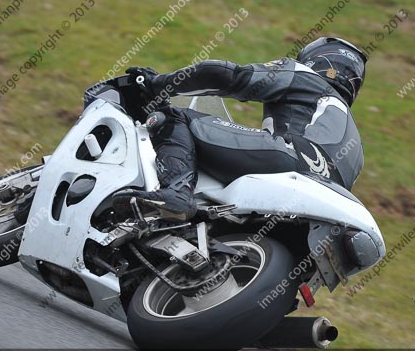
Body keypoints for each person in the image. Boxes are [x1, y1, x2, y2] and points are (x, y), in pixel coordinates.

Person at [112, 37, 367, 222]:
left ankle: (177, 191)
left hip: (288, 160)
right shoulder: (356, 147)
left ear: (314, 60)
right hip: (313, 209)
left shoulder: (304, 76)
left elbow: (226, 76)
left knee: (175, 117)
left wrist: (158, 85)